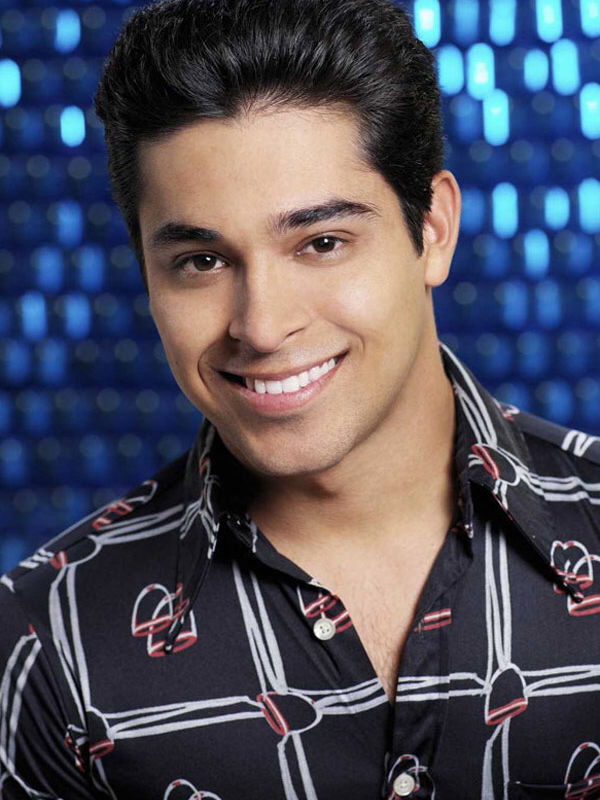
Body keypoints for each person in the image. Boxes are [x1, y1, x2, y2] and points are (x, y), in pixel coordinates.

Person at [2, 0, 600, 797]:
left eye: (321, 243)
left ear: (432, 230)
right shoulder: (47, 641)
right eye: (201, 261)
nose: (262, 325)